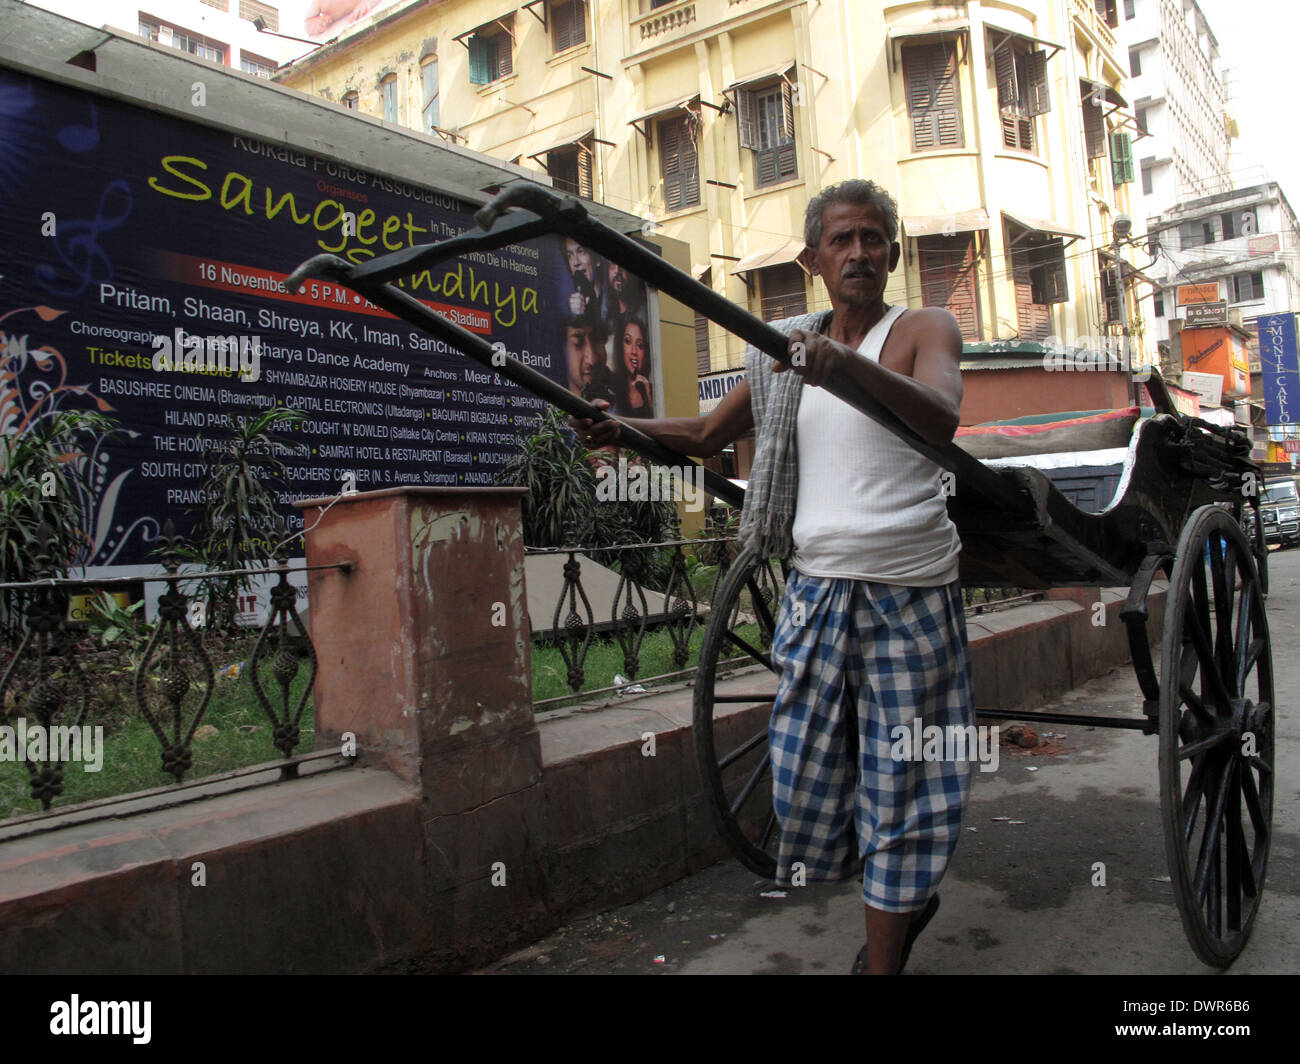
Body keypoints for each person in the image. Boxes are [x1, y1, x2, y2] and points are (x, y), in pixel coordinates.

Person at [571, 179, 972, 975]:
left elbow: (939, 415)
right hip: (816, 592)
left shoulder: (923, 327)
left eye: (874, 238)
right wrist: (622, 427)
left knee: (898, 782)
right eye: (843, 240)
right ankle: (905, 883)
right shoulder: (789, 348)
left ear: (891, 251)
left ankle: (884, 951)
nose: (860, 252)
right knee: (801, 787)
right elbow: (706, 432)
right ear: (812, 259)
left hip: (908, 590)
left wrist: (842, 370)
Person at [613, 316, 653, 417]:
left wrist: (649, 400)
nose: (634, 351)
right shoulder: (611, 388)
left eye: (640, 345)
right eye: (628, 341)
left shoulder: (651, 391)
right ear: (619, 346)